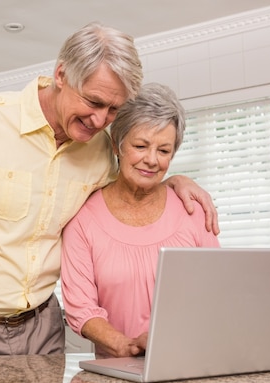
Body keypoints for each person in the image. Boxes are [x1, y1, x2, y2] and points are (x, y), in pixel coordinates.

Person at [0, 22, 219, 375]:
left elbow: (137, 177)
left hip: (44, 328)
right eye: (94, 101)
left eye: (113, 110)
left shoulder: (99, 149)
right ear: (61, 74)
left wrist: (174, 179)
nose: (100, 120)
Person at [61, 83, 220, 359]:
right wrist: (126, 346)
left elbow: (217, 292)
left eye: (164, 151)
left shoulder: (192, 212)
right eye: (140, 145)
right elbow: (80, 309)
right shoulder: (83, 221)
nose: (151, 160)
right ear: (117, 145)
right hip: (118, 372)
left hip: (190, 364)